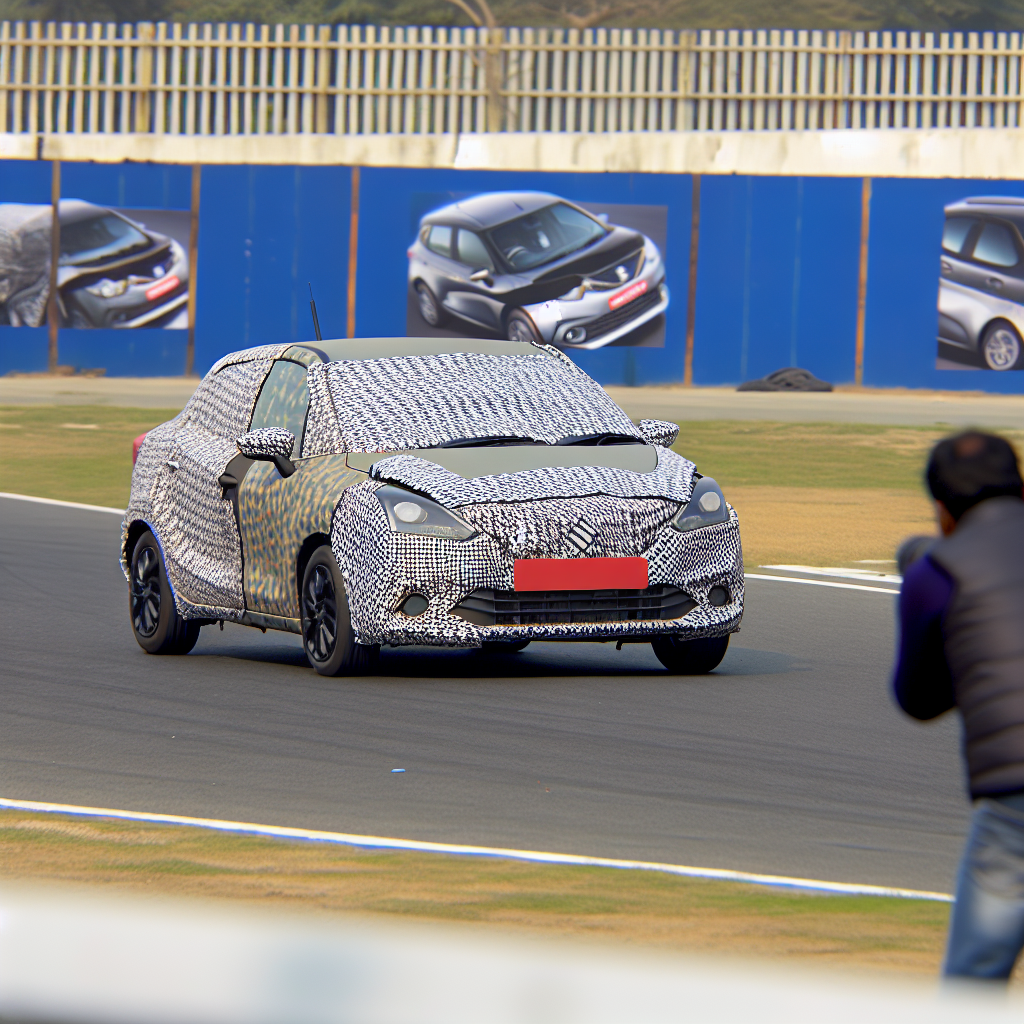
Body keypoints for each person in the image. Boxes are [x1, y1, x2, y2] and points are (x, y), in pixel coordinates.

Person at [892, 429, 1024, 981]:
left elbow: (919, 700)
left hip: (1016, 800)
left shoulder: (938, 573)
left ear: (943, 510)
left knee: (974, 977)